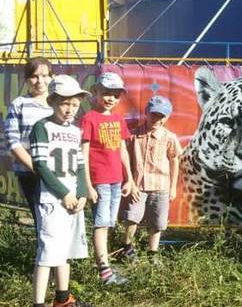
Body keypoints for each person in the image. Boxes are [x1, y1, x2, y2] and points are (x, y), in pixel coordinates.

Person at [30, 75, 92, 307]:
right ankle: (38, 303)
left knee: (64, 251)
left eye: (74, 104)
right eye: (64, 103)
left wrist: (82, 192)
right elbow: (40, 165)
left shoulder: (75, 131)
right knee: (47, 254)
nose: (69, 109)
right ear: (52, 101)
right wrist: (63, 193)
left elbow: (80, 165)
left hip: (73, 199)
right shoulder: (42, 127)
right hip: (51, 199)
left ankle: (63, 299)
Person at [81, 72, 135, 285]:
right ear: (95, 92)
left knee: (109, 223)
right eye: (106, 93)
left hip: (116, 181)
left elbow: (123, 150)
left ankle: (105, 264)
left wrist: (129, 178)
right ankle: (104, 270)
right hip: (99, 181)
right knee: (101, 223)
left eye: (116, 95)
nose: (111, 98)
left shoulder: (118, 119)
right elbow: (84, 154)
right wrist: (88, 184)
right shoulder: (89, 118)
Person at [120, 95, 182, 263]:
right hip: (138, 186)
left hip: (161, 186)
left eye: (161, 116)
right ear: (146, 113)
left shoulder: (169, 137)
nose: (157, 119)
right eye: (154, 114)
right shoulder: (134, 135)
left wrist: (173, 187)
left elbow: (174, 160)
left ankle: (152, 253)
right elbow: (124, 156)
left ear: (167, 117)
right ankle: (127, 248)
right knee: (132, 217)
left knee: (157, 222)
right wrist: (129, 181)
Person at [4, 57, 53, 231]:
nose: (40, 81)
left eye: (45, 76)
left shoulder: (59, 103)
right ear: (26, 79)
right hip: (30, 173)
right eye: (34, 76)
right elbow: (12, 141)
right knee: (42, 222)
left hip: (58, 174)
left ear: (52, 77)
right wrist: (37, 168)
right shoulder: (19, 104)